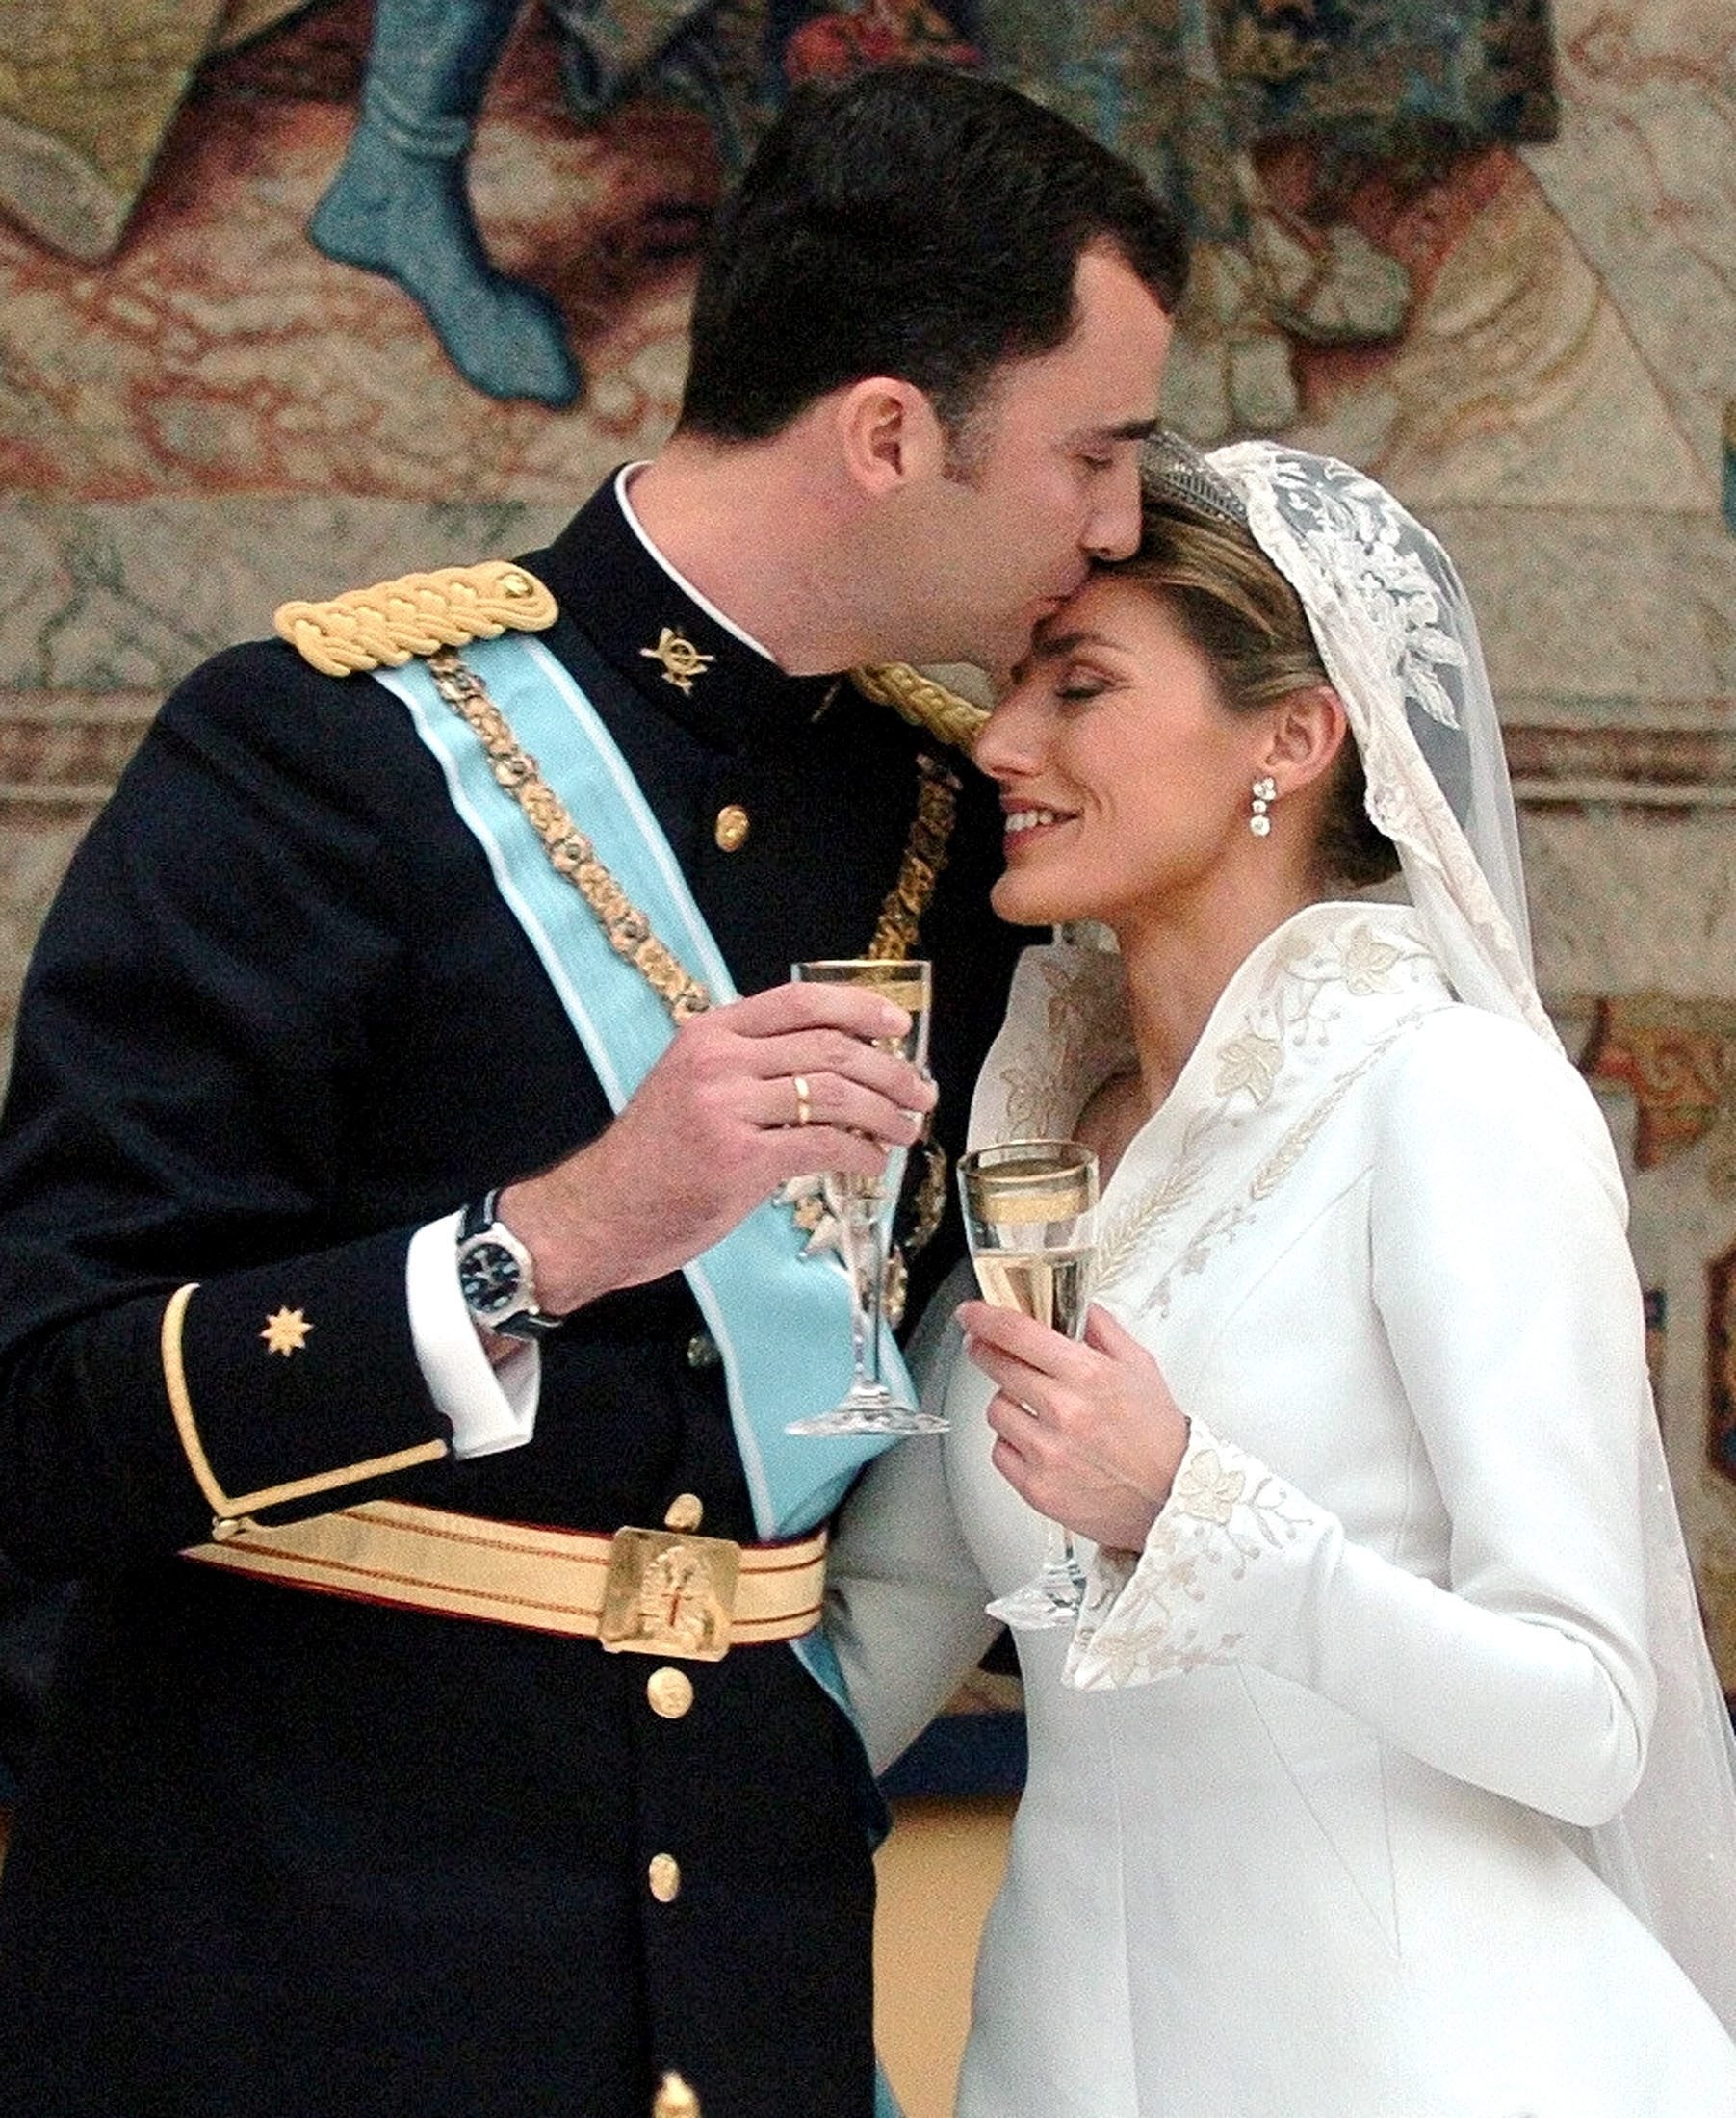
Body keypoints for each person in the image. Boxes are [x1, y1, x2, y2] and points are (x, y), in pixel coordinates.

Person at [0, 65, 1185, 2118]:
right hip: (299, 1970)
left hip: (740, 1969)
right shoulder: (319, 757)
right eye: (1092, 455)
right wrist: (554, 1237)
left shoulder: (954, 816)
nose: (1111, 530)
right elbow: (38, 1409)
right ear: (890, 434)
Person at [827, 435, 1736, 2114]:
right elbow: (872, 1641)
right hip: (1065, 2063)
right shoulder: (1032, 1135)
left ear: (1296, 738)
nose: (1002, 744)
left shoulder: (1447, 1097)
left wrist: (1193, 1511)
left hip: (1435, 2061)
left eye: (1077, 687)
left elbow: (1592, 1715)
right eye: (1008, 684)